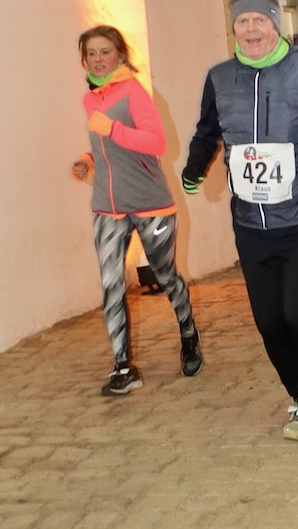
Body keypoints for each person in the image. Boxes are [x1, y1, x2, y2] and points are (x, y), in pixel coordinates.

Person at [182, 0, 298, 441]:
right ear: (234, 29)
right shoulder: (219, 77)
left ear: (275, 25)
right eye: (242, 21)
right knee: (269, 322)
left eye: (260, 20)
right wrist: (195, 166)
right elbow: (207, 132)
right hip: (250, 224)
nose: (251, 29)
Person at [70, 25, 202, 396]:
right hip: (107, 206)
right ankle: (123, 367)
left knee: (165, 275)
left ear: (120, 55)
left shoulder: (134, 92)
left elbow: (156, 143)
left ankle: (189, 337)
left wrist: (112, 128)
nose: (98, 59)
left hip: (150, 204)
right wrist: (87, 159)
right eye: (91, 53)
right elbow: (106, 147)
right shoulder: (91, 98)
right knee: (111, 284)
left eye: (105, 51)